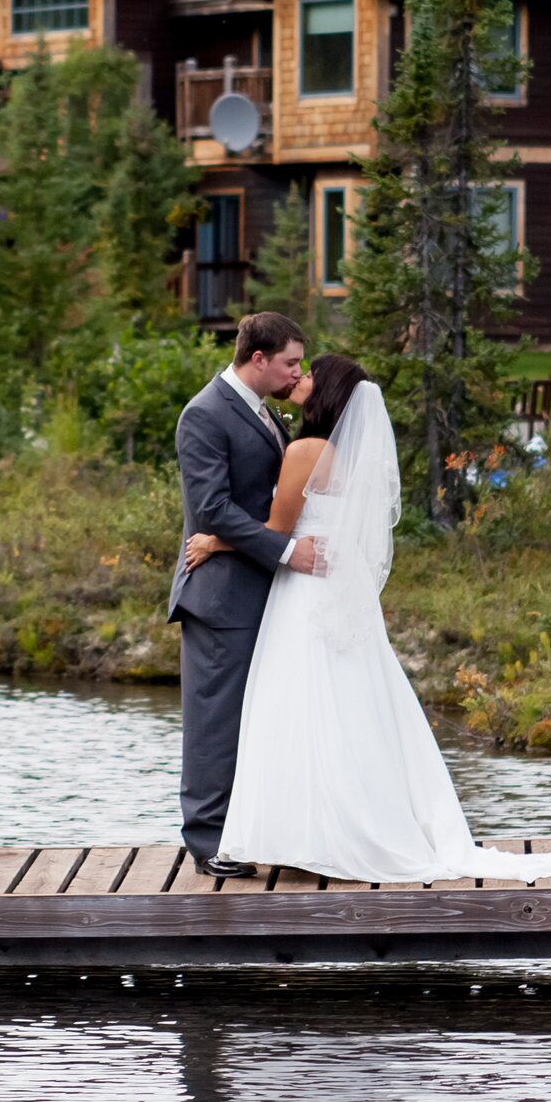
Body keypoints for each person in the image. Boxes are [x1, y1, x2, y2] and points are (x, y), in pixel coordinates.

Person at [185, 354, 551, 885]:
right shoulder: (347, 455)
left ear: (328, 394)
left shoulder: (305, 449)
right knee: (353, 705)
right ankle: (348, 825)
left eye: (309, 372)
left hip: (306, 592)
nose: (299, 378)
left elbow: (277, 526)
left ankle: (315, 835)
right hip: (340, 586)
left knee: (301, 706)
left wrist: (214, 540)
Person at [167, 312, 320, 874]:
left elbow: (264, 500)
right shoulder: (204, 414)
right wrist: (284, 550)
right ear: (258, 359)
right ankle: (209, 845)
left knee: (257, 719)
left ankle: (250, 832)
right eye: (289, 362)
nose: (295, 372)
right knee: (216, 722)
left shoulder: (261, 410)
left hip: (256, 588)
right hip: (219, 598)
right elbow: (211, 509)